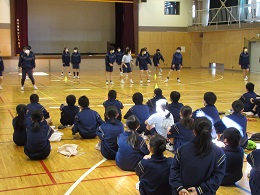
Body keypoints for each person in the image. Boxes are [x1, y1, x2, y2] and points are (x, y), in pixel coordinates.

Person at [169, 117, 226, 195]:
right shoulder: (219, 153)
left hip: (182, 193)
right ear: (211, 131)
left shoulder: (182, 149)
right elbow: (217, 177)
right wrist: (200, 190)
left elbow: (174, 170)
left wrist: (179, 187)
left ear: (194, 132)